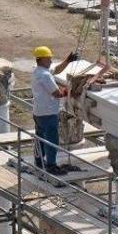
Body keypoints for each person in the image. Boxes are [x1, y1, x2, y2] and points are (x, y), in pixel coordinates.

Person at [31, 46, 76, 176]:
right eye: (49, 58)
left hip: (39, 112)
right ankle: (51, 166)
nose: (51, 61)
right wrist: (69, 90)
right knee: (52, 140)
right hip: (48, 113)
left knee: (40, 137)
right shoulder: (44, 75)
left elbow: (56, 69)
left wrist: (68, 60)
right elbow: (57, 94)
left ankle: (39, 161)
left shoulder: (38, 71)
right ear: (42, 59)